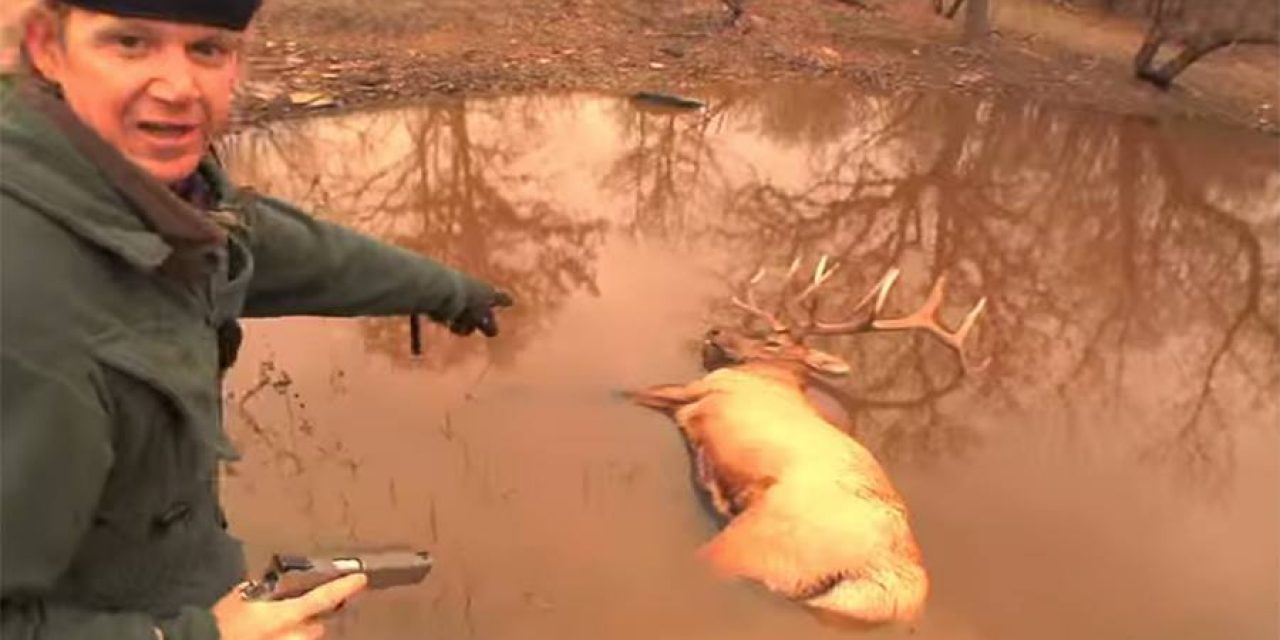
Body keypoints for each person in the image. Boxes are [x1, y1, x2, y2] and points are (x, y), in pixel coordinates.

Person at [0, 0, 513, 638]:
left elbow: (249, 245)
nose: (178, 88)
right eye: (130, 43)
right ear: (49, 47)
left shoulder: (141, 187)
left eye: (207, 49)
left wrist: (444, 288)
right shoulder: (22, 307)